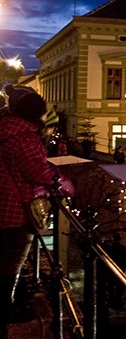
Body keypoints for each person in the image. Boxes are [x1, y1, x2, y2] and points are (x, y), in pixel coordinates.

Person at [0, 86, 73, 339]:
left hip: (6, 205)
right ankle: (5, 311)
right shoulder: (23, 136)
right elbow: (36, 171)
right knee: (11, 263)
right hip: (14, 210)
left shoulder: (8, 129)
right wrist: (64, 183)